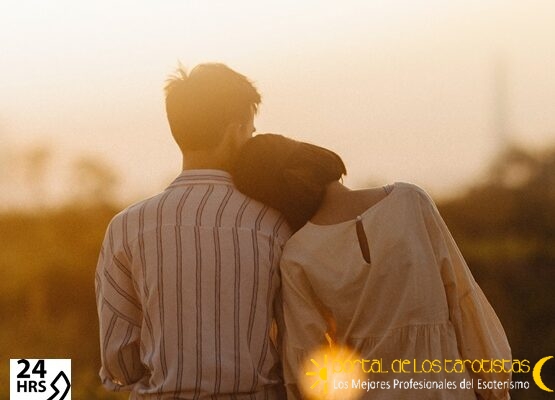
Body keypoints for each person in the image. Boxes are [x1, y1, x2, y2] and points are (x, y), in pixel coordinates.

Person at [231, 134, 512, 399]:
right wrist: (494, 387)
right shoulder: (411, 201)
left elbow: (308, 363)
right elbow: (462, 298)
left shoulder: (297, 255)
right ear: (312, 156)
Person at [95, 65, 292, 399]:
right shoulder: (273, 224)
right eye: (251, 131)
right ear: (235, 131)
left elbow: (120, 363)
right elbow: (297, 341)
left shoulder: (127, 226)